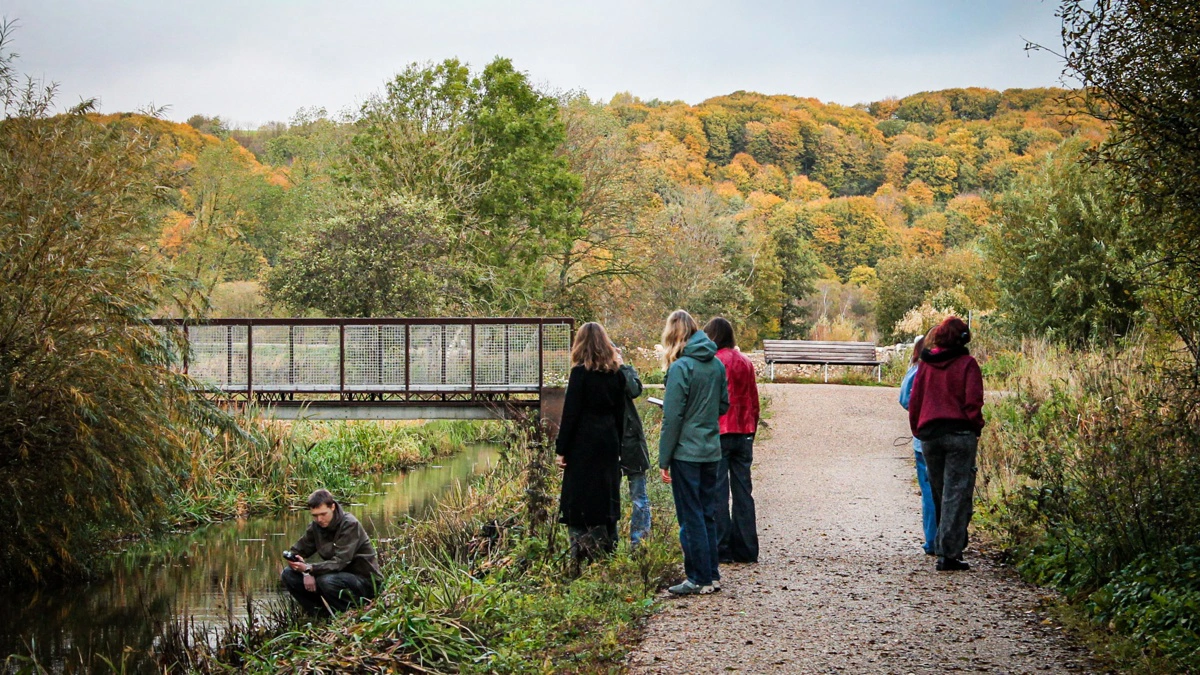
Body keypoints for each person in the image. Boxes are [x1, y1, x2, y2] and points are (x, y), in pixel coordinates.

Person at [659, 309, 729, 595]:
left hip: (686, 453)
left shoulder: (681, 368)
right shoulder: (716, 365)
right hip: (711, 449)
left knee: (691, 516)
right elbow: (723, 405)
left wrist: (664, 459)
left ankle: (697, 577)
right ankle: (711, 574)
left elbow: (672, 418)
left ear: (673, 335)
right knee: (707, 513)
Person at [908, 316, 985, 572]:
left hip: (930, 434)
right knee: (956, 492)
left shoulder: (926, 365)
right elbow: (973, 401)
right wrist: (976, 427)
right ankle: (948, 553)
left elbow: (915, 398)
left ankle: (944, 546)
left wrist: (918, 429)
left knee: (940, 492)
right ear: (963, 339)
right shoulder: (967, 364)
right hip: (959, 434)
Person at [555, 322, 625, 565]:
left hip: (583, 442)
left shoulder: (579, 374)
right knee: (606, 491)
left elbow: (570, 414)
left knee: (579, 495)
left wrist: (561, 449)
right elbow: (621, 412)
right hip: (608, 440)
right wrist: (619, 443)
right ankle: (608, 546)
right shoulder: (616, 373)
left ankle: (581, 553)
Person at [703, 317, 760, 564]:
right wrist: (752, 429)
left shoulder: (714, 362)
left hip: (721, 431)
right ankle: (747, 549)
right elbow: (754, 399)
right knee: (743, 492)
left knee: (718, 491)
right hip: (744, 431)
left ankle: (722, 549)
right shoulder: (745, 362)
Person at [281, 489, 383, 615]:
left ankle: (350, 613)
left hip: (364, 581)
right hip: (336, 576)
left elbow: (340, 562)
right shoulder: (316, 527)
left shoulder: (350, 524)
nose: (319, 519)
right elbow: (297, 551)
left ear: (333, 507)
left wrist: (309, 569)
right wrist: (303, 570)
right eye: (315, 515)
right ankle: (320, 614)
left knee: (326, 581)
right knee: (288, 574)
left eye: (323, 514)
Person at [899, 333, 937, 556]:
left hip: (924, 437)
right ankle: (951, 539)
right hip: (956, 434)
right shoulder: (963, 364)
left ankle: (932, 540)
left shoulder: (918, 369)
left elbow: (905, 400)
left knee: (930, 491)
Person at [618, 357, 652, 550]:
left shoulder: (623, 371)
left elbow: (634, 390)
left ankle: (638, 544)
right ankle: (610, 541)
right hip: (611, 440)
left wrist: (622, 366)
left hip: (630, 440)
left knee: (639, 496)